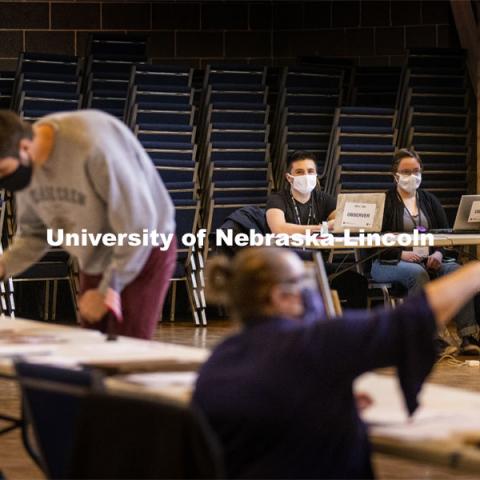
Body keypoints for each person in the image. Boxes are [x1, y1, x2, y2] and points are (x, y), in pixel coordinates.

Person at [193, 246, 480, 479]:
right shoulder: (315, 342)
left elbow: (271, 411)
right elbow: (412, 318)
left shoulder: (220, 358)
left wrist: (322, 403)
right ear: (281, 296)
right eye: (304, 284)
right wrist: (475, 272)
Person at [0, 109, 176, 339]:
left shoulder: (90, 146)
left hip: (143, 249)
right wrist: (4, 266)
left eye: (3, 170)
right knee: (92, 349)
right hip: (95, 256)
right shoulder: (27, 166)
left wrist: (108, 290)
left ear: (24, 147)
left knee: (128, 349)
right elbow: (35, 235)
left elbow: (139, 226)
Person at [371, 149, 480, 355]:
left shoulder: (430, 200)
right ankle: (430, 337)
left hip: (427, 259)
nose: (412, 176)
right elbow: (372, 242)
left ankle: (468, 335)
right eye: (406, 171)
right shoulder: (384, 201)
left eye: (416, 170)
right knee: (417, 273)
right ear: (394, 175)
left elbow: (445, 235)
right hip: (388, 262)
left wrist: (438, 254)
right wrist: (401, 254)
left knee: (457, 271)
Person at [266, 150, 369, 309]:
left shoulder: (323, 199)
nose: (306, 176)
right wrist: (320, 227)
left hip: (317, 264)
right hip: (289, 266)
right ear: (289, 177)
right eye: (300, 172)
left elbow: (341, 218)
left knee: (358, 282)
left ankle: (350, 329)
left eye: (310, 171)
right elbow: (278, 228)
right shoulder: (278, 199)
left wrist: (334, 222)